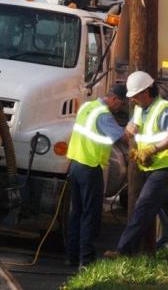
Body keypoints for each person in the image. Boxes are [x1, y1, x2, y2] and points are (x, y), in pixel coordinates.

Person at [104, 70, 168, 262]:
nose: (133, 101)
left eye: (135, 96)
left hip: (167, 168)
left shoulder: (165, 109)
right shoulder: (140, 109)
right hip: (153, 168)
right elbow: (131, 130)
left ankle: (124, 251)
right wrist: (119, 136)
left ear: (146, 91)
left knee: (143, 207)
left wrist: (151, 150)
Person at [65, 83, 128, 268]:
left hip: (75, 165)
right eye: (121, 104)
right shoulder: (103, 115)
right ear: (114, 98)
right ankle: (86, 259)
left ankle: (72, 256)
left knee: (76, 213)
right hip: (90, 168)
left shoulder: (87, 106)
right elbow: (122, 137)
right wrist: (133, 130)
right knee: (90, 215)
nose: (120, 108)